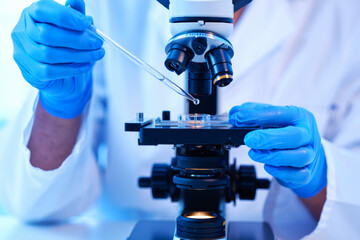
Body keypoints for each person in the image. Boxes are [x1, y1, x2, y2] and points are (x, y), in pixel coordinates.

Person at [1, 0, 359, 239]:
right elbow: (36, 208)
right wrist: (60, 105)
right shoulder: (107, 7)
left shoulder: (342, 15)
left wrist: (324, 177)